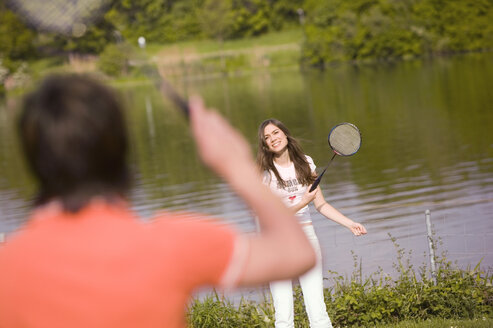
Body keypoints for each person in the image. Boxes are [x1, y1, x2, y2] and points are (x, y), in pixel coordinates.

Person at [0, 74, 317, 328]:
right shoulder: (173, 243)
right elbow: (297, 253)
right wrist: (236, 165)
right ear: (121, 149)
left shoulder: (6, 268)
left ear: (33, 160)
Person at [257, 118, 367, 328]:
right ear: (265, 145)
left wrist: (349, 223)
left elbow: (321, 205)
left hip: (307, 240)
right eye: (267, 138)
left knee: (317, 309)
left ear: (285, 134)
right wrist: (302, 202)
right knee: (283, 314)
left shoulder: (306, 163)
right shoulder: (266, 174)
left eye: (276, 133)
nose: (273, 139)